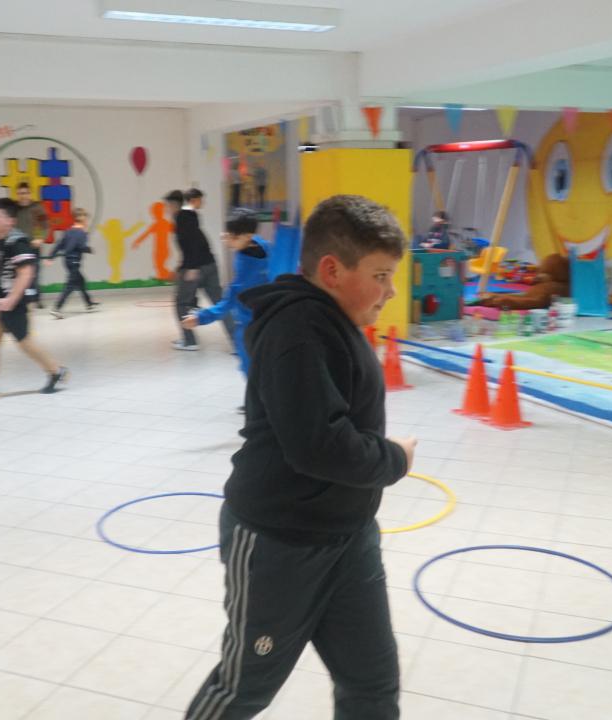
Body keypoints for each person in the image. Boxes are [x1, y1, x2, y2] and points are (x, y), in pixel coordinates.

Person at [184, 194, 417, 719]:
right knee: (243, 688)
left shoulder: (335, 320)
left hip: (348, 537)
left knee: (372, 683)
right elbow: (320, 446)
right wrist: (394, 460)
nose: (390, 291)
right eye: (380, 276)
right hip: (280, 542)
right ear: (332, 270)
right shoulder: (297, 329)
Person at [0, 197, 67, 404]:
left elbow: (26, 273)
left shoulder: (18, 242)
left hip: (15, 304)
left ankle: (56, 371)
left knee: (25, 343)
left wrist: (11, 299)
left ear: (10, 220)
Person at [181, 207, 269, 391]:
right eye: (228, 234)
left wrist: (199, 317)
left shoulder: (245, 272)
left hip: (251, 323)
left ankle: (257, 399)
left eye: (232, 237)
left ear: (247, 236)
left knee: (250, 366)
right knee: (260, 365)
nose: (228, 240)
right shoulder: (261, 245)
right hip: (268, 318)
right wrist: (231, 235)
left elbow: (227, 303)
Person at [173, 188, 233, 350]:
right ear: (193, 200)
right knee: (220, 304)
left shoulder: (183, 216)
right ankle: (237, 342)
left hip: (196, 267)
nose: (203, 203)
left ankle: (189, 341)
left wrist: (191, 266)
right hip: (209, 263)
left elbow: (190, 243)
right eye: (201, 200)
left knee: (182, 303)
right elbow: (193, 243)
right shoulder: (191, 216)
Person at [47, 207, 98, 318]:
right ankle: (56, 308)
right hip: (74, 261)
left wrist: (51, 257)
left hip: (67, 261)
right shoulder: (82, 233)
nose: (87, 222)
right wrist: (89, 249)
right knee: (70, 286)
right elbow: (81, 247)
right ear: (83, 220)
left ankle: (89, 304)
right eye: (86, 219)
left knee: (81, 281)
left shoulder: (68, 232)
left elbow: (59, 245)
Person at [15, 182, 49, 308]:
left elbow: (45, 225)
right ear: (17, 195)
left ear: (30, 194)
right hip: (18, 247)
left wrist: (40, 238)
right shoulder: (13, 209)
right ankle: (22, 300)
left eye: (25, 193)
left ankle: (36, 299)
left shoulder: (37, 207)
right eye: (20, 194)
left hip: (33, 246)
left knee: (34, 275)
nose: (23, 196)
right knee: (20, 274)